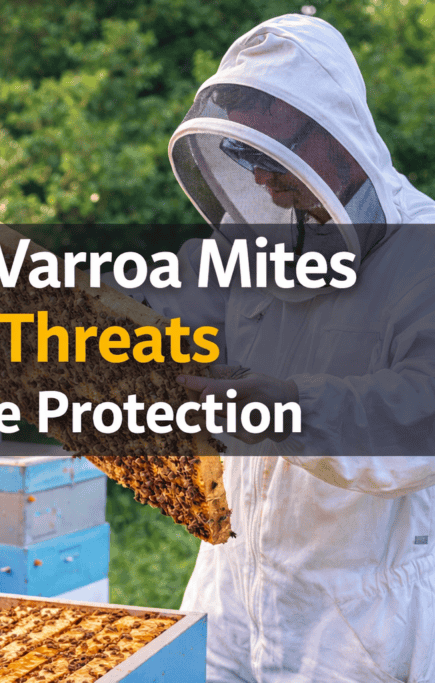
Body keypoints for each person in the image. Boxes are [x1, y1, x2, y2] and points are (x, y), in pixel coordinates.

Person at [109, 14, 435, 683]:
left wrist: (283, 407)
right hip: (230, 589)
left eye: (274, 153)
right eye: (246, 154)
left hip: (354, 625)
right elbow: (174, 303)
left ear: (338, 136)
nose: (262, 178)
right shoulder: (254, 236)